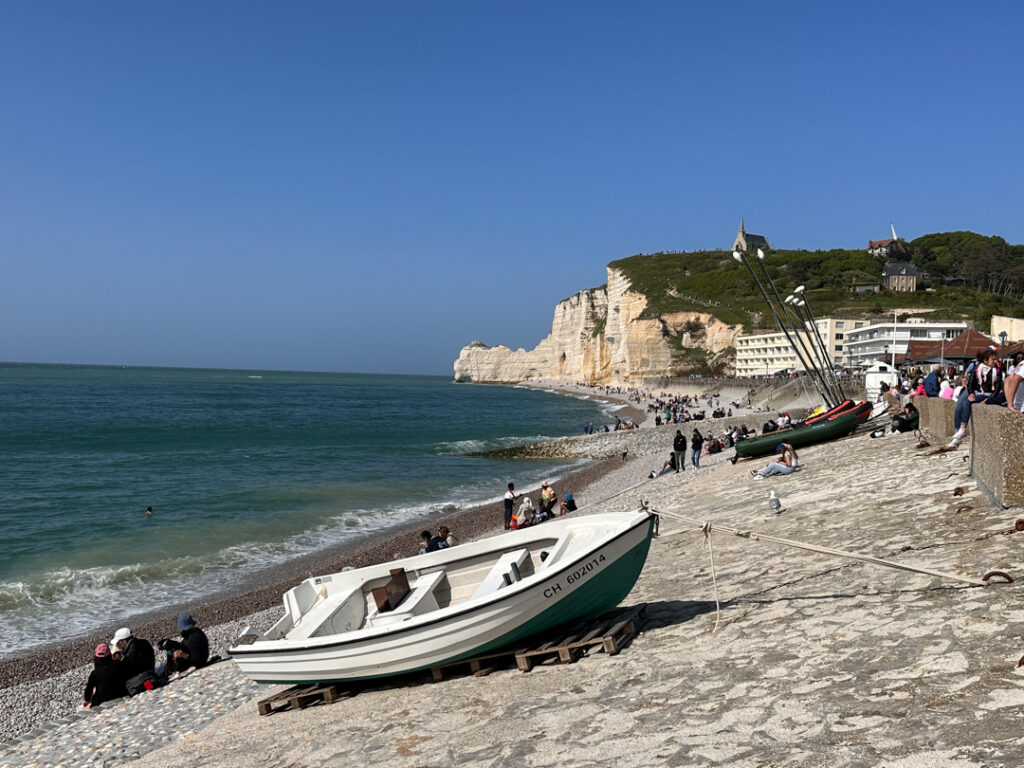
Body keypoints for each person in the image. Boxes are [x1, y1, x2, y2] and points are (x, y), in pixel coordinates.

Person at [947, 348, 1003, 448]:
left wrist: (991, 398)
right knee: (958, 408)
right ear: (985, 361)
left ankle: (962, 429)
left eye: (996, 359)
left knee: (967, 403)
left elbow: (998, 387)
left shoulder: (997, 371)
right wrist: (971, 393)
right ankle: (957, 435)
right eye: (993, 359)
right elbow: (970, 384)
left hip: (987, 394)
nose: (995, 362)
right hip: (976, 392)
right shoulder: (977, 369)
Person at [82, 644, 127, 709]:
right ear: (109, 655)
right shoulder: (119, 665)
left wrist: (87, 700)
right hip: (121, 693)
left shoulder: (95, 673)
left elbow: (88, 691)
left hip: (102, 700)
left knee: (94, 689)